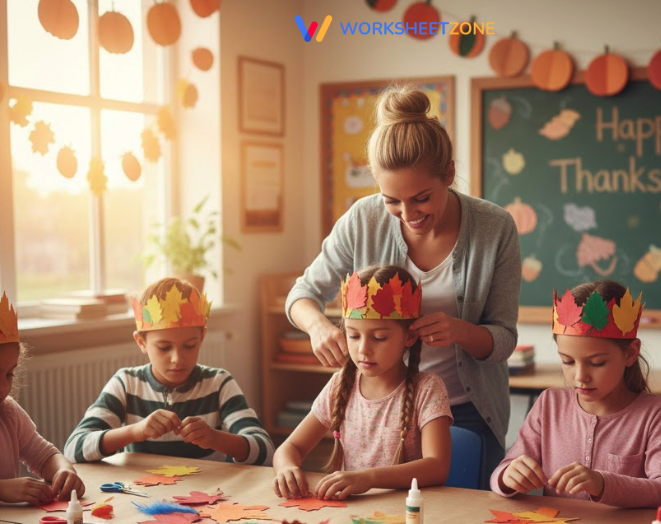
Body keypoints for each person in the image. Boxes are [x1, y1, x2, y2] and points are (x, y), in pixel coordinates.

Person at [286, 84, 520, 484]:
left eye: (421, 198)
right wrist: (318, 326)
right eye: (392, 200)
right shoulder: (364, 219)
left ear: (448, 174)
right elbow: (302, 295)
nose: (407, 214)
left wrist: (461, 331)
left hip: (467, 408)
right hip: (378, 402)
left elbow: (503, 340)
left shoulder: (494, 227)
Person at [490, 280, 661, 508]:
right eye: (567, 361)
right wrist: (507, 476)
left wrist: (603, 484)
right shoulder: (549, 404)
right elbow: (502, 473)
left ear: (631, 353)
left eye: (597, 363)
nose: (580, 376)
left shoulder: (655, 413)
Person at [273, 265, 452, 500]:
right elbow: (289, 448)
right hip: (353, 513)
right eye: (354, 336)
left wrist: (367, 478)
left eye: (379, 337)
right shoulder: (340, 385)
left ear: (409, 336)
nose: (363, 349)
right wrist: (287, 468)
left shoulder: (428, 388)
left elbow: (437, 467)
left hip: (409, 516)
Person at [65, 278, 274, 465]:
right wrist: (135, 431)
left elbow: (266, 451)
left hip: (210, 496)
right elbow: (73, 449)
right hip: (145, 496)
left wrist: (216, 438)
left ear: (202, 338)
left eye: (190, 345)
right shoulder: (126, 383)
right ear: (141, 342)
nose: (177, 358)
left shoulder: (219, 384)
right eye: (164, 347)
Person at [0, 292, 85, 505]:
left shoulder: (8, 412)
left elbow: (44, 456)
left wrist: (64, 470)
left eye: (9, 374)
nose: (2, 387)